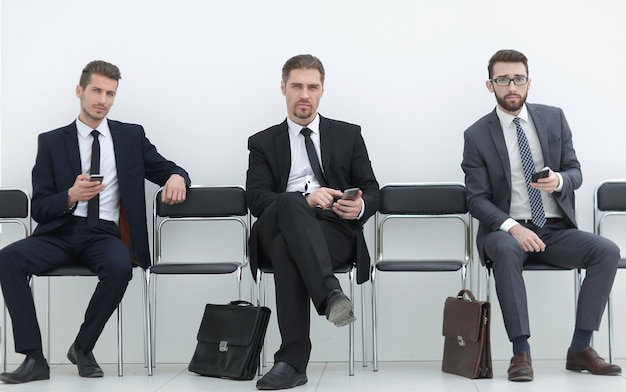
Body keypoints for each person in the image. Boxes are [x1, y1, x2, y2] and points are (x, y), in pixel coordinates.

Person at [0, 60, 190, 384]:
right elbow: (40, 208)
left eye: (110, 93)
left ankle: (82, 346)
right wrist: (71, 196)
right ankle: (34, 358)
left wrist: (177, 176)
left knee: (120, 268)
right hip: (59, 232)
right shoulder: (51, 142)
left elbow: (165, 167)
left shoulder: (130, 136)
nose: (103, 100)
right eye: (96, 91)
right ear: (80, 91)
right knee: (7, 259)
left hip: (103, 233)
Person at [461, 49, 621, 382]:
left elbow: (575, 171)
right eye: (503, 79)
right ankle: (521, 352)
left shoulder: (553, 118)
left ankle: (580, 348)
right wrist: (512, 229)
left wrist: (559, 181)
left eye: (518, 78)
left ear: (529, 82)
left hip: (553, 229)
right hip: (504, 231)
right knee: (505, 249)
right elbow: (476, 200)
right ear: (490, 86)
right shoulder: (476, 135)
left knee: (606, 250)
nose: (512, 86)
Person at [246, 54, 380, 390]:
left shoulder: (348, 135)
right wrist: (304, 200)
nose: (304, 94)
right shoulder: (263, 142)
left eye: (312, 87)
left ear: (321, 91)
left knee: (286, 248)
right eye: (297, 86)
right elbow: (257, 200)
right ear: (283, 89)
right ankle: (330, 294)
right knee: (290, 204)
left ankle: (292, 361)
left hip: (331, 230)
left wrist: (360, 207)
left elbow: (375, 191)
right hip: (277, 222)